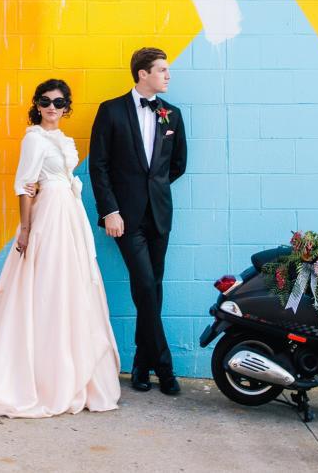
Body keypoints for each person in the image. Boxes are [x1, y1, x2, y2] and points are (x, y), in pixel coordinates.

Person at [0, 78, 120, 417]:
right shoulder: (34, 139)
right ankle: (40, 374)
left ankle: (73, 369)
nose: (52, 108)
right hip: (48, 217)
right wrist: (26, 229)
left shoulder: (63, 139)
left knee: (71, 283)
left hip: (69, 214)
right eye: (46, 101)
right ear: (37, 105)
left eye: (59, 102)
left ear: (66, 107)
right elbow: (24, 185)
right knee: (45, 283)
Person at [88, 46, 187, 396]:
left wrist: (153, 191)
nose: (168, 76)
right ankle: (165, 367)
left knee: (152, 290)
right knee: (145, 285)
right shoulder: (111, 111)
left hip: (159, 216)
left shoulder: (172, 115)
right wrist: (110, 211)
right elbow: (98, 166)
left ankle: (142, 366)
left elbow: (178, 165)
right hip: (125, 219)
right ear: (143, 74)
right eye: (162, 70)